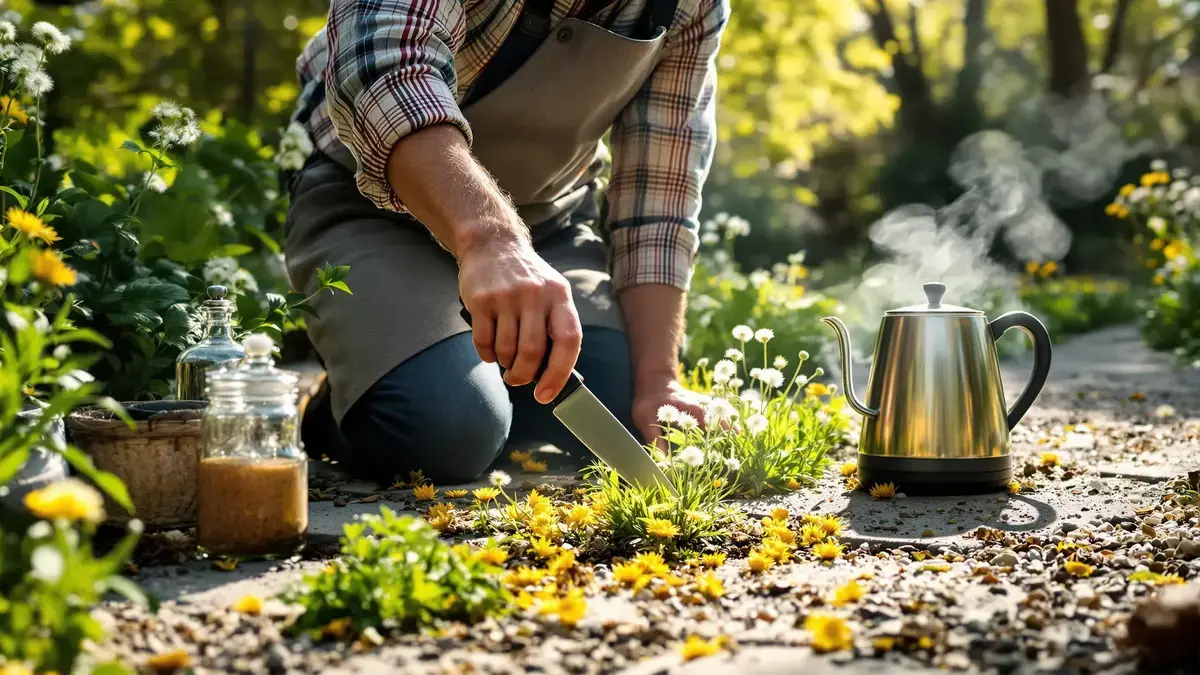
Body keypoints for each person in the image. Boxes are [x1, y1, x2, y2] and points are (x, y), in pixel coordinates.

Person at [284, 0, 727, 484]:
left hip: (544, 226)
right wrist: (491, 240)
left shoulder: (693, 6)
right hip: (368, 204)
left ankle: (459, 369)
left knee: (625, 403)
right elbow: (384, 70)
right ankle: (357, 399)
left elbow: (659, 193)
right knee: (446, 427)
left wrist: (660, 380)